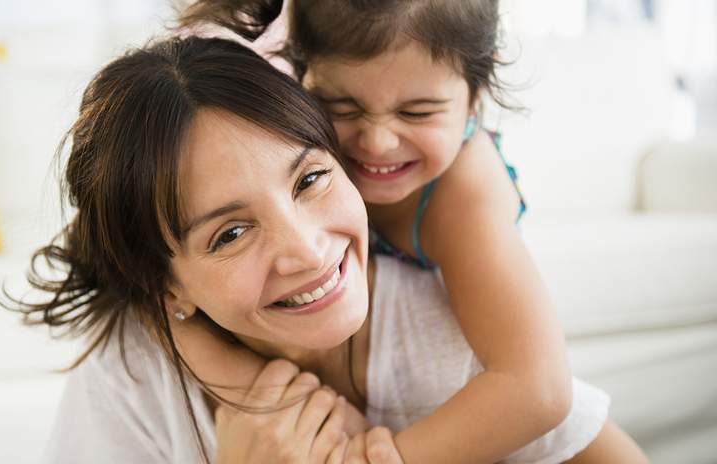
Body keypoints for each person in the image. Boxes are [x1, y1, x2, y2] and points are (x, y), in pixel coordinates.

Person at [3, 36, 647, 463]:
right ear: (165, 287)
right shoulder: (132, 371)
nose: (308, 253)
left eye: (310, 180)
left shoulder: (444, 326)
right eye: (230, 233)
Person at [177, 1, 589, 460]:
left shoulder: (463, 194)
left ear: (475, 95)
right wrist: (243, 382)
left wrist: (378, 457)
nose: (376, 142)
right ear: (300, 77)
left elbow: (539, 389)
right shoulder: (287, 146)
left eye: (417, 113)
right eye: (341, 107)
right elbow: (161, 299)